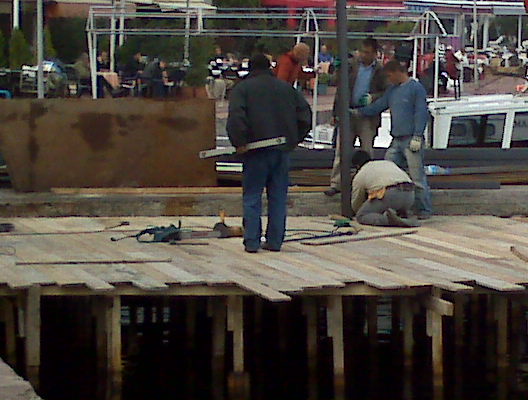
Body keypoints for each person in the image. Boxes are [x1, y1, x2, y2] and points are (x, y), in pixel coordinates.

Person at [227, 54, 312, 253]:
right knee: (278, 197)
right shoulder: (286, 89)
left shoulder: (243, 89)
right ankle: (274, 241)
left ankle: (252, 241)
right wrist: (293, 139)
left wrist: (240, 142)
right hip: (281, 151)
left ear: (250, 69)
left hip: (255, 151)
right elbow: (305, 116)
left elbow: (236, 118)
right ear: (269, 68)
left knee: (252, 196)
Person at [354, 59, 433, 219]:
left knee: (417, 176)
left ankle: (424, 210)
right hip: (396, 139)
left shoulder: (416, 88)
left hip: (411, 138)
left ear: (398, 72)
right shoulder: (392, 90)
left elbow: (421, 112)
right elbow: (380, 105)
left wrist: (418, 135)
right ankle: (394, 206)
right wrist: (360, 111)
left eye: (390, 76)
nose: (389, 80)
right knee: (389, 172)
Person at [325, 38, 388, 197]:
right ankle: (337, 183)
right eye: (362, 51)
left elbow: (386, 92)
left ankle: (367, 183)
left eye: (367, 52)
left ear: (375, 53)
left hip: (367, 116)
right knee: (342, 150)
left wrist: (372, 98)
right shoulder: (351, 66)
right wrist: (335, 113)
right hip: (348, 114)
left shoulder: (380, 70)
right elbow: (338, 87)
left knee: (366, 151)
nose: (363, 55)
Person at [351, 150, 420, 227]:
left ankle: (390, 221)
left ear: (357, 166)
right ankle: (405, 218)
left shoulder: (361, 173)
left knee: (361, 215)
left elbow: (356, 202)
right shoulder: (387, 163)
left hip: (391, 195)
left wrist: (359, 210)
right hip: (410, 195)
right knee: (390, 208)